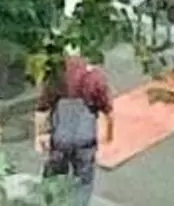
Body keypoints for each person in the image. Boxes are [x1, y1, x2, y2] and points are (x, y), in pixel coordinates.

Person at [35, 51, 116, 194]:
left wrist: (40, 135)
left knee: (53, 181)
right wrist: (109, 135)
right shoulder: (95, 78)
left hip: (60, 139)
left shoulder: (57, 76)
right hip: (85, 139)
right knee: (83, 181)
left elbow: (42, 111)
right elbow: (109, 112)